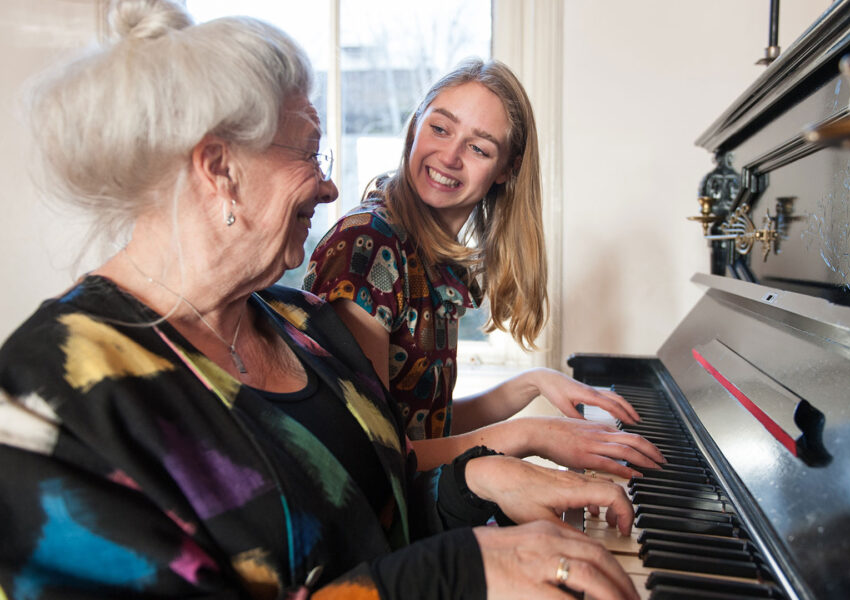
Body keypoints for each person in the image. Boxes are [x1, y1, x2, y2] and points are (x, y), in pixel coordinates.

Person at [0, 2, 642, 599]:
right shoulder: (47, 398)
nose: (332, 187)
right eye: (310, 152)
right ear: (220, 166)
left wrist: (482, 482)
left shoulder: (301, 326)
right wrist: (457, 568)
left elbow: (373, 512)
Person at [306, 59, 665, 475]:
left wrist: (533, 383)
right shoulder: (368, 247)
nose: (450, 156)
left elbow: (424, 424)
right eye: (440, 128)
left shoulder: (425, 252)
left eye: (479, 148)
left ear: (506, 170)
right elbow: (374, 457)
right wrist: (532, 435)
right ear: (414, 127)